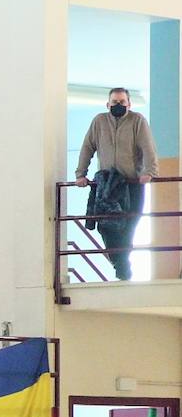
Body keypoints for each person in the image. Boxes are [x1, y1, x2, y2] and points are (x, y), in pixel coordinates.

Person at [74, 88, 158, 281]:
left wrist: (149, 172)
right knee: (105, 226)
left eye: (122, 102)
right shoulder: (99, 122)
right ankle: (121, 265)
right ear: (108, 104)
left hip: (131, 184)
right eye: (114, 102)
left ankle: (122, 268)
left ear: (129, 104)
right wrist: (81, 174)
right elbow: (87, 147)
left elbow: (148, 147)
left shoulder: (138, 121)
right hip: (107, 185)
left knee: (130, 224)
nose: (118, 105)